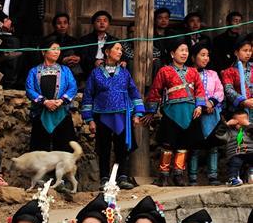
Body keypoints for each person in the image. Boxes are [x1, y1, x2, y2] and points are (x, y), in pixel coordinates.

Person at [81, 41, 145, 190]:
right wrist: (89, 119)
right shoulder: (95, 73)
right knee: (103, 147)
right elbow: (88, 95)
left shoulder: (124, 72)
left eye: (121, 49)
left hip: (122, 114)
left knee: (122, 147)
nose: (120, 52)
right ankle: (104, 178)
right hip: (102, 115)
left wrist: (138, 113)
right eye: (117, 49)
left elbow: (133, 92)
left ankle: (121, 177)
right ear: (107, 52)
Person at [144, 40, 205, 186]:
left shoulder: (193, 72)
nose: (184, 53)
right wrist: (151, 111)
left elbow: (199, 90)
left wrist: (199, 106)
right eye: (181, 50)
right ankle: (163, 175)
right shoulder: (164, 71)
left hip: (189, 112)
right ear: (172, 54)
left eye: (186, 51)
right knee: (168, 145)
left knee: (183, 145)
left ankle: (178, 174)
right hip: (171, 112)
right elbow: (155, 90)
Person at [26, 41, 78, 152]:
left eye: (58, 49)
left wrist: (61, 101)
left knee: (64, 147)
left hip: (62, 112)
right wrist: (45, 102)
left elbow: (73, 87)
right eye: (53, 49)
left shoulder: (65, 70)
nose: (57, 52)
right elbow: (29, 89)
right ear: (44, 52)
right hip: (41, 113)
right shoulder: (34, 71)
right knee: (41, 148)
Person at [188, 43, 226, 185]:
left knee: (213, 146)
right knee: (195, 146)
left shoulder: (213, 74)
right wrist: (203, 105)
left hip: (212, 113)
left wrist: (211, 102)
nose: (206, 58)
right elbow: (188, 92)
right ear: (193, 57)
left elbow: (220, 91)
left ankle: (213, 175)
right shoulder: (188, 74)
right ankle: (192, 177)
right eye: (202, 55)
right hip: (194, 114)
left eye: (207, 55)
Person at [78, 11, 124, 78]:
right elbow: (83, 56)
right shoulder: (85, 39)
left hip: (109, 69)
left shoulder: (114, 41)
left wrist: (122, 61)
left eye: (105, 21)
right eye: (98, 21)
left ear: (108, 24)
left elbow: (120, 55)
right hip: (90, 69)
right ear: (93, 24)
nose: (102, 23)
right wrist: (94, 62)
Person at [216, 106, 253, 186]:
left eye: (242, 121)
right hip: (235, 154)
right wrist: (227, 124)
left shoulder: (249, 130)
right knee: (235, 163)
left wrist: (248, 125)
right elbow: (219, 134)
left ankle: (251, 174)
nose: (239, 124)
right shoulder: (229, 132)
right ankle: (233, 178)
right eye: (237, 122)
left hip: (250, 152)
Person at [49, 13, 82, 80]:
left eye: (65, 23)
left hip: (72, 67)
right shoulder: (48, 40)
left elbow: (80, 54)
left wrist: (78, 58)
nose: (62, 26)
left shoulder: (74, 40)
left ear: (68, 25)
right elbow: (45, 57)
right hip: (54, 68)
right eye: (59, 23)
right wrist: (62, 60)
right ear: (54, 25)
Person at [152, 7, 180, 75]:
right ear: (155, 20)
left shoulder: (172, 34)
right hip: (155, 64)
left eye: (166, 18)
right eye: (160, 18)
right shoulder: (151, 34)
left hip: (170, 62)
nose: (163, 20)